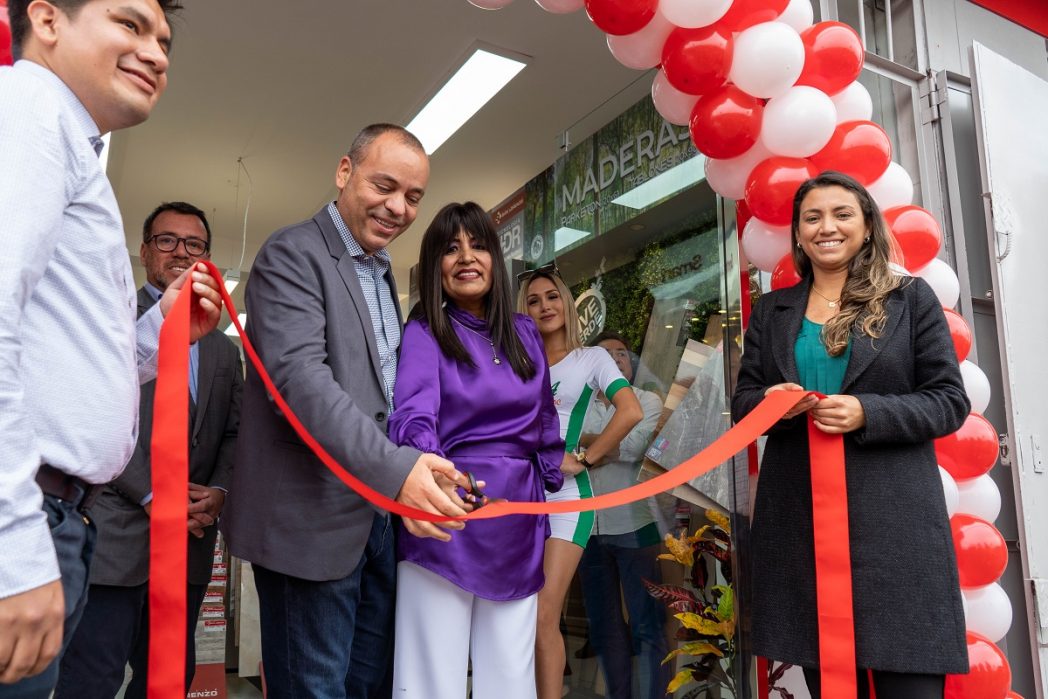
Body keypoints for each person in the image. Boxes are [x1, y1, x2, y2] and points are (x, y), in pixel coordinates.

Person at [0, 2, 223, 696]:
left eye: (163, 38)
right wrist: (16, 546)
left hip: (60, 513)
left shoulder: (69, 143)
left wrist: (166, 336)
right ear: (47, 19)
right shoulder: (29, 114)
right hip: (28, 514)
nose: (156, 52)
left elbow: (72, 365)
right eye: (129, 24)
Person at [221, 124, 472, 699]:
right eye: (384, 186)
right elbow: (301, 386)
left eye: (413, 197)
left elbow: (380, 395)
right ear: (343, 172)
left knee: (367, 687)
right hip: (308, 525)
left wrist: (419, 462)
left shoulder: (382, 272)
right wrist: (398, 470)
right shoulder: (292, 252)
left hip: (375, 522)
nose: (397, 208)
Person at [730, 171, 970, 698]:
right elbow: (743, 402)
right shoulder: (772, 313)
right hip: (803, 526)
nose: (826, 227)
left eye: (841, 214)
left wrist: (868, 412)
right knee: (831, 682)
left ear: (866, 226)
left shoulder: (910, 299)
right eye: (812, 217)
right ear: (796, 233)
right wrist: (776, 406)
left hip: (894, 529)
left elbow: (950, 401)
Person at [54, 202, 243, 699]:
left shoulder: (224, 347)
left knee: (168, 682)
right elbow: (97, 411)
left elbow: (232, 432)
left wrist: (219, 491)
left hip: (190, 544)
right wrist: (155, 496)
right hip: (117, 538)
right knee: (91, 680)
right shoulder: (109, 319)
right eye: (167, 241)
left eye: (194, 244)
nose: (181, 252)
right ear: (144, 252)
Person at [389, 202, 564, 699]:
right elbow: (413, 412)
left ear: (495, 257)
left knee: (511, 673)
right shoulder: (425, 330)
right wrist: (431, 470)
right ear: (434, 266)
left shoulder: (526, 332)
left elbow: (544, 419)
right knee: (431, 678)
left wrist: (549, 472)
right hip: (446, 506)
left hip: (518, 514)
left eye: (478, 244)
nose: (466, 257)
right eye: (450, 248)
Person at [517, 270, 643, 699]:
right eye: (533, 301)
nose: (544, 306)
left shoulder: (591, 358)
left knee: (542, 616)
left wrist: (586, 457)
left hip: (566, 499)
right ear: (524, 311)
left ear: (567, 304)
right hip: (518, 492)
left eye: (553, 296)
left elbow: (630, 411)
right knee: (516, 613)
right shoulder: (517, 360)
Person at [577, 331, 670, 699]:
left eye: (622, 354)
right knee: (605, 627)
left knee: (648, 624)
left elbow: (634, 447)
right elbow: (557, 442)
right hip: (584, 529)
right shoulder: (576, 404)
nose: (616, 359)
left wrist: (586, 444)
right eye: (606, 354)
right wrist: (602, 442)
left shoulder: (648, 400)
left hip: (635, 526)